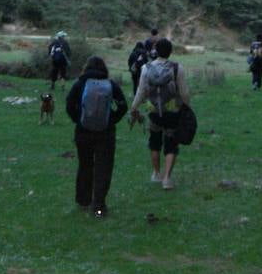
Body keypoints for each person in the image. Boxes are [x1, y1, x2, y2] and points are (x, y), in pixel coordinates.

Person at [65, 55, 128, 218]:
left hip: (83, 131)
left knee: (85, 165)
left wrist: (77, 119)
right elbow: (123, 105)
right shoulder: (110, 84)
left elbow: (69, 104)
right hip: (106, 132)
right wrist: (112, 119)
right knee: (103, 168)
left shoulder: (80, 83)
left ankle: (83, 200)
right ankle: (99, 206)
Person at [129, 38, 191, 190]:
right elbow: (184, 92)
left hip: (153, 111)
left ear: (156, 51)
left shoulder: (146, 68)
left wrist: (134, 107)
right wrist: (187, 107)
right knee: (171, 144)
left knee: (154, 142)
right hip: (172, 111)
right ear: (170, 52)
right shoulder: (177, 68)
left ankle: (156, 174)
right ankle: (167, 179)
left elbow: (141, 91)